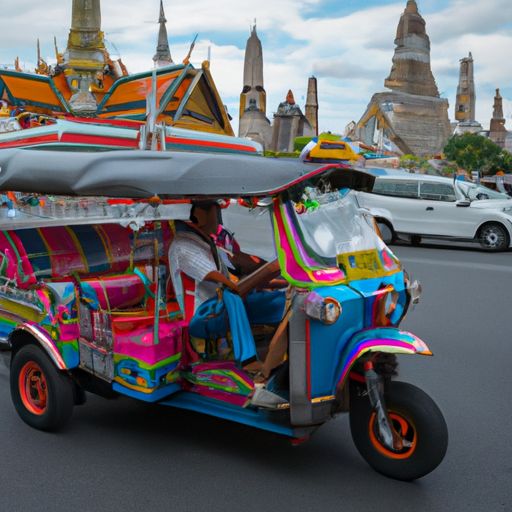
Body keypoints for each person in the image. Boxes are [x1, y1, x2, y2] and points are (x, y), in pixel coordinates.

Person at [168, 201, 287, 372]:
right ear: (199, 217)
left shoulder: (209, 244)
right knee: (232, 296)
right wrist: (269, 270)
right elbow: (230, 285)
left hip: (220, 307)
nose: (218, 220)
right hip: (202, 315)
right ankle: (248, 360)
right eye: (216, 213)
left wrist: (286, 281)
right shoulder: (182, 246)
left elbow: (243, 273)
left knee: (283, 300)